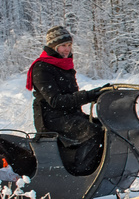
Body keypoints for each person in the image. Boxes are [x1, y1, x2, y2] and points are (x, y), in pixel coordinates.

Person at [26, 25, 107, 175]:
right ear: (53, 46)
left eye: (69, 45)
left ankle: (99, 170)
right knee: (92, 131)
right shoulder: (41, 67)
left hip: (69, 115)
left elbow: (71, 97)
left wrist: (100, 93)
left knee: (105, 127)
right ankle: (80, 174)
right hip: (50, 119)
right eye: (63, 45)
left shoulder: (64, 65)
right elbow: (56, 101)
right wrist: (89, 95)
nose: (67, 49)